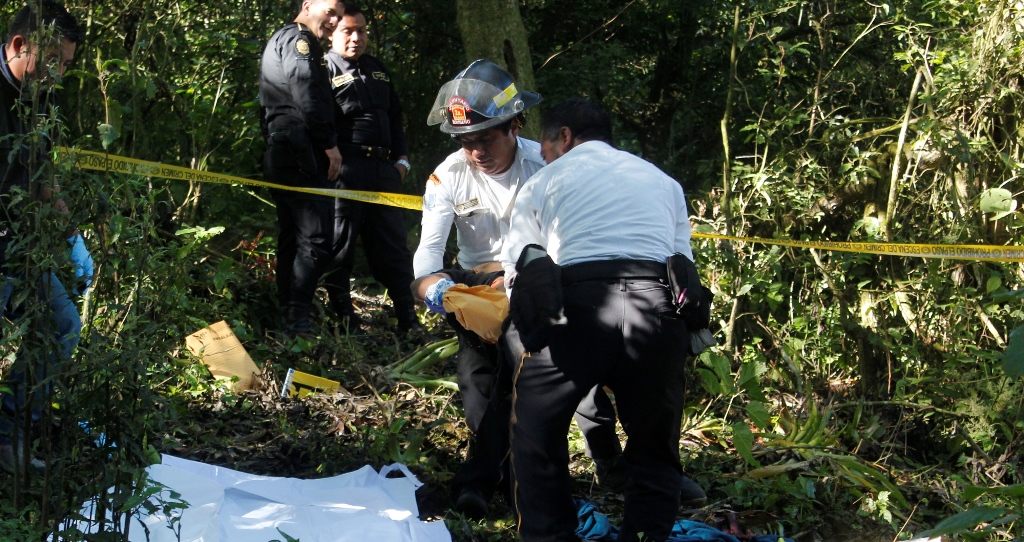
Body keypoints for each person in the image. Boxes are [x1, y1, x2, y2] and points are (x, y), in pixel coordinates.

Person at [414, 61, 622, 519]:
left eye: (486, 139)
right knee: (478, 380)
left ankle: (607, 463)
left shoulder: (545, 164)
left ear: (515, 125)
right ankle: (501, 477)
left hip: (539, 278)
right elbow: (428, 254)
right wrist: (441, 294)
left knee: (573, 377)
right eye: (466, 142)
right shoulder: (448, 176)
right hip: (476, 285)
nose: (476, 152)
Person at [500, 98, 700, 541]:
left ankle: (550, 536)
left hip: (577, 306)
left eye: (546, 148)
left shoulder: (543, 181)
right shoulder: (663, 181)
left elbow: (521, 267)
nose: (544, 157)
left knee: (535, 434)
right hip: (657, 310)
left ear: (564, 136)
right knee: (655, 448)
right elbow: (681, 263)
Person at [0, 0, 87, 475]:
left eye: (66, 64)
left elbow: (43, 171)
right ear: (19, 45)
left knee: (61, 324)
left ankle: (9, 438)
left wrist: (71, 234)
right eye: (53, 60)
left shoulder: (42, 98)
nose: (59, 74)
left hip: (18, 243)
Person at [321, 4, 423, 336]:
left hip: (384, 171)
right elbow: (316, 120)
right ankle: (346, 324)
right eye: (348, 31)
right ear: (333, 33)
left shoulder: (377, 68)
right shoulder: (322, 69)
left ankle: (408, 321)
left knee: (394, 246)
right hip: (347, 170)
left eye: (361, 31)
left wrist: (402, 161)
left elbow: (395, 117)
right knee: (340, 246)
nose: (356, 38)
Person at [259, 0, 343, 337]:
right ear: (308, 5)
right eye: (330, 11)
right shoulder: (299, 41)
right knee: (315, 238)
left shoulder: (280, 38)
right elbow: (306, 91)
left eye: (339, 16)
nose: (334, 20)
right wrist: (328, 144)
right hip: (300, 150)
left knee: (292, 238)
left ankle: (290, 319)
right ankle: (298, 325)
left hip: (282, 147)